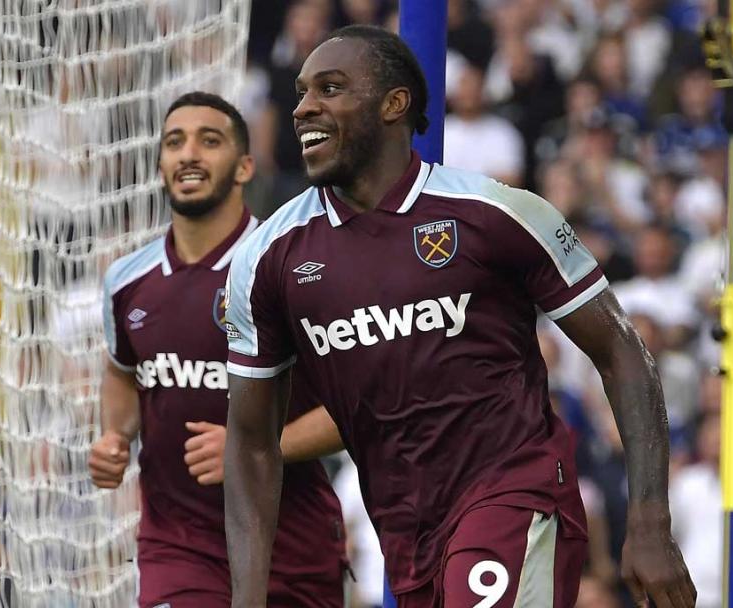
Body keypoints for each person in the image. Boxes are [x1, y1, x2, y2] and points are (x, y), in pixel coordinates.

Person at [223, 25, 695, 608]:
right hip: (404, 534)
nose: (303, 109)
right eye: (300, 92)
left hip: (514, 493)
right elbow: (249, 443)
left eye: (330, 88)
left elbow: (623, 351)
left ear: (394, 104)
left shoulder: (496, 214)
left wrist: (649, 523)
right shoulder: (266, 259)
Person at [88, 92, 345, 608]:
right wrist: (115, 436)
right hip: (176, 548)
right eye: (175, 142)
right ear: (160, 165)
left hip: (290, 549)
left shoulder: (288, 270)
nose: (189, 154)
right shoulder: (126, 282)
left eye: (210, 141)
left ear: (245, 165)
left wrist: (253, 449)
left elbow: (356, 408)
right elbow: (121, 373)